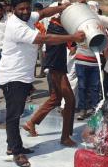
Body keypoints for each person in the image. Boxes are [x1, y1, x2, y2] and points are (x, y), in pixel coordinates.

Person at [0, 0, 85, 167]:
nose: (25, 11)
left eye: (27, 8)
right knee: (14, 116)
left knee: (17, 113)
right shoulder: (16, 26)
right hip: (13, 76)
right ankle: (17, 152)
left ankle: (12, 145)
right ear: (12, 9)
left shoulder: (28, 18)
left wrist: (65, 7)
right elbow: (44, 39)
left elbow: (44, 13)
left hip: (22, 76)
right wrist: (72, 38)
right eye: (20, 9)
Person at [23, 11, 79, 147]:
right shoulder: (57, 28)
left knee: (55, 98)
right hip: (57, 69)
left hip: (55, 67)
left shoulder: (56, 26)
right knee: (70, 100)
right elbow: (71, 38)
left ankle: (31, 122)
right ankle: (65, 137)